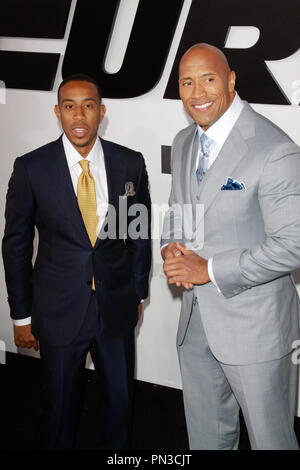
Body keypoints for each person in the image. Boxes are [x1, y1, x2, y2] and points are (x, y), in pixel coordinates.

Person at [161, 43, 300, 450]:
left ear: (232, 80)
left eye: (208, 79)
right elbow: (176, 209)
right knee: (206, 440)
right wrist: (171, 244)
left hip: (256, 330)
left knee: (271, 441)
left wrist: (209, 270)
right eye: (187, 82)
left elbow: (293, 244)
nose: (197, 92)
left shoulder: (274, 149)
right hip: (196, 324)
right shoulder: (185, 140)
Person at [2, 74, 151, 449]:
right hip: (58, 312)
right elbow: (16, 245)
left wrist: (136, 292)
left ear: (102, 112)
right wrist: (22, 315)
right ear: (58, 112)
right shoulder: (32, 168)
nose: (79, 115)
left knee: (120, 407)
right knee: (59, 411)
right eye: (69, 106)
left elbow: (139, 232)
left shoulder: (128, 163)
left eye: (88, 105)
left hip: (115, 312)